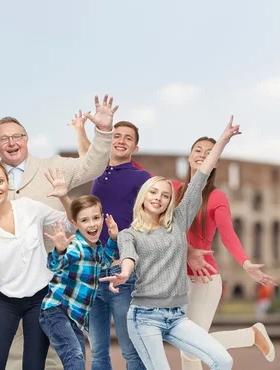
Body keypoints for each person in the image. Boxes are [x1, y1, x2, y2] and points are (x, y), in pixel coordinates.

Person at [0, 95, 118, 370]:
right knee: (6, 359)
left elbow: (93, 166)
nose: (11, 143)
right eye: (3, 139)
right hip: (6, 286)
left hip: (53, 281)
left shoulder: (54, 167)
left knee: (52, 358)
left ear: (27, 138)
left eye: (16, 136)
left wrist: (103, 131)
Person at [101, 117, 241, 370]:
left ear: (171, 201)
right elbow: (129, 257)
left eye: (165, 195)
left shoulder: (178, 221)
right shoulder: (128, 234)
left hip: (176, 316)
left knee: (222, 360)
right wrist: (124, 273)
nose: (159, 198)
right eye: (153, 192)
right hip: (145, 317)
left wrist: (223, 140)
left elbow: (201, 177)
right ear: (143, 197)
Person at [173, 136, 277, 369]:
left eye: (209, 152)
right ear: (189, 158)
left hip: (205, 279)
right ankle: (251, 335)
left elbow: (228, 233)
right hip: (177, 279)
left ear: (216, 161)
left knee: (190, 346)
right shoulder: (173, 190)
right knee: (187, 348)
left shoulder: (216, 197)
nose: (201, 154)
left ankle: (251, 336)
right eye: (197, 150)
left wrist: (245, 262)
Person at [0, 162, 74, 370]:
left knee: (34, 365)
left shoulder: (29, 207)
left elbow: (71, 223)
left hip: (39, 298)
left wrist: (64, 197)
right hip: (4, 301)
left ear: (7, 182)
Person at [70, 119, 150, 370]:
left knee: (131, 350)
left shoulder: (142, 178)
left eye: (128, 138)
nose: (121, 140)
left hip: (120, 272)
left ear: (135, 147)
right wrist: (80, 130)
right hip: (92, 271)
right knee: (97, 353)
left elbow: (150, 218)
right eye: (117, 135)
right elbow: (88, 152)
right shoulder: (98, 169)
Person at [40, 196, 120, 369]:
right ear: (75, 224)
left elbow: (105, 262)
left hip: (75, 318)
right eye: (84, 220)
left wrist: (113, 238)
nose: (92, 224)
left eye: (96, 218)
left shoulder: (97, 247)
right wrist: (59, 249)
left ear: (102, 218)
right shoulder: (75, 247)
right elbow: (54, 264)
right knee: (74, 357)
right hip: (56, 311)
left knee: (79, 360)